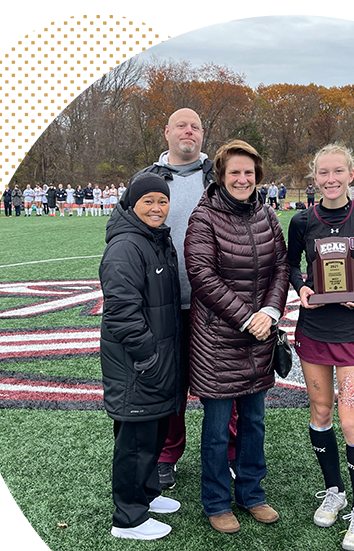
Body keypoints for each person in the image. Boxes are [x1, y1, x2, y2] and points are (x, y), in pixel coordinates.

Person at [185, 139, 289, 534]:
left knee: (254, 422)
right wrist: (247, 318)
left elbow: (281, 265)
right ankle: (215, 502)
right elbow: (202, 276)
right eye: (235, 173)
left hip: (259, 336)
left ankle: (251, 494)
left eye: (249, 172)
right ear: (221, 177)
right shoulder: (203, 217)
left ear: (257, 175)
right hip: (218, 341)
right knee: (215, 429)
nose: (243, 179)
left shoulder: (265, 213)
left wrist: (270, 312)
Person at [287, 144, 354, 551]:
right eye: (323, 173)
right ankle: (334, 491)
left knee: (350, 420)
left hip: (353, 331)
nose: (331, 179)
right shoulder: (300, 220)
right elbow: (290, 265)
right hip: (313, 329)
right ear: (314, 178)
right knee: (322, 412)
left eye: (338, 172)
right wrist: (302, 287)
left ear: (351, 174)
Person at [132, 107, 237, 492]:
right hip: (164, 301)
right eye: (181, 125)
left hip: (217, 302)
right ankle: (167, 455)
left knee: (222, 383)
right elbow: (125, 230)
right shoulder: (146, 179)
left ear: (203, 134)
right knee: (168, 384)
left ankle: (226, 455)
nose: (188, 131)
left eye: (194, 126)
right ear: (167, 133)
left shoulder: (221, 176)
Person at [100, 172, 184, 541]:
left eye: (162, 201)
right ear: (132, 204)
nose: (156, 208)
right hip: (138, 363)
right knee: (135, 440)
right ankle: (128, 518)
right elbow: (121, 312)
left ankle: (147, 495)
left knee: (154, 430)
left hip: (159, 357)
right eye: (148, 201)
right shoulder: (126, 246)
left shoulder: (155, 239)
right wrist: (148, 355)